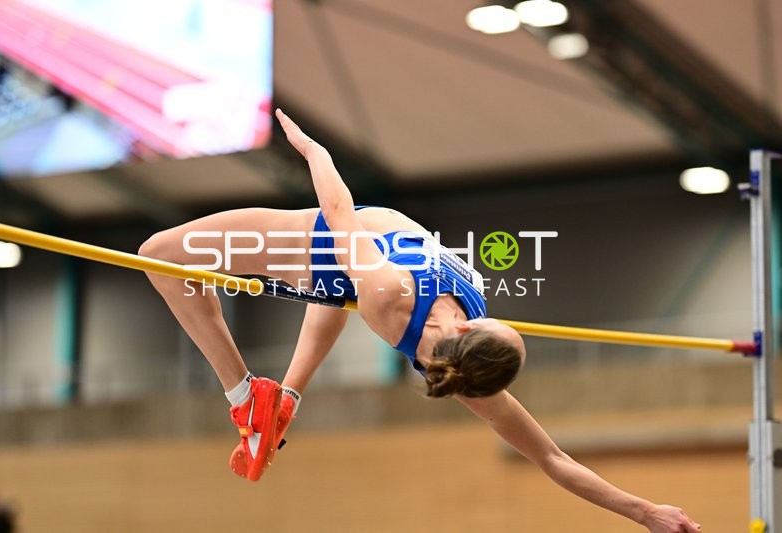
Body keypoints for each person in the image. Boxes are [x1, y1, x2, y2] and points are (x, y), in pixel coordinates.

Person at [139, 109, 702, 533]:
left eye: (499, 325)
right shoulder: (475, 374)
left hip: (320, 240)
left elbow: (338, 213)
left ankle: (243, 394)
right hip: (349, 269)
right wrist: (645, 511)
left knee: (159, 255)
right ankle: (284, 399)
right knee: (339, 289)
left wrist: (313, 152)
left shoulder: (391, 292)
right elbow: (554, 459)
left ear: (467, 332)